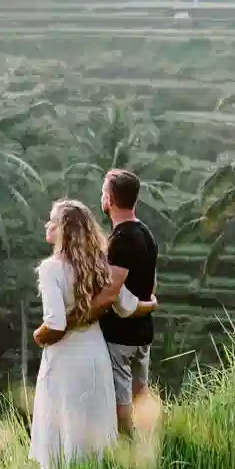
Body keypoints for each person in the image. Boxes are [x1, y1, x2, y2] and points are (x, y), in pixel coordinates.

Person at [29, 199, 146, 469]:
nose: (48, 225)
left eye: (53, 221)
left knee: (61, 437)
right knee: (93, 435)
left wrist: (38, 336)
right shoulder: (100, 266)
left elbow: (55, 325)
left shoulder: (51, 269)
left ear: (66, 231)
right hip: (94, 355)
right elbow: (128, 306)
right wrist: (151, 303)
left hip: (65, 358)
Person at [90, 169, 159, 436]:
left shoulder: (121, 240)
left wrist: (81, 317)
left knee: (121, 397)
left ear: (108, 198)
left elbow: (110, 291)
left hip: (121, 335)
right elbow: (151, 285)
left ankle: (126, 449)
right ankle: (146, 442)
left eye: (103, 192)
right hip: (143, 330)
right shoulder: (147, 235)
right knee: (140, 392)